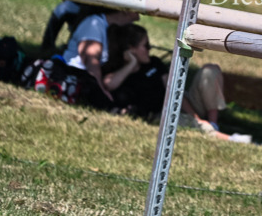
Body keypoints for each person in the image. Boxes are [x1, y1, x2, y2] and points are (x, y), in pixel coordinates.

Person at [102, 23, 242, 141]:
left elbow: (174, 91)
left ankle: (213, 124)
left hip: (182, 102)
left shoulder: (154, 63)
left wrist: (196, 117)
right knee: (191, 123)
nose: (150, 49)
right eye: (146, 45)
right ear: (131, 49)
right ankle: (231, 139)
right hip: (162, 114)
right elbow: (108, 84)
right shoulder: (120, 71)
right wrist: (131, 64)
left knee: (210, 70)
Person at [61, 2, 140, 108]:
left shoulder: (111, 27)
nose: (139, 13)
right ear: (124, 9)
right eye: (137, 6)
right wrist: (101, 90)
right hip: (74, 75)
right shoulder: (94, 24)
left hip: (86, 77)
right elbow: (91, 62)